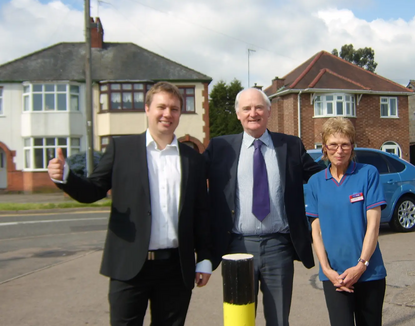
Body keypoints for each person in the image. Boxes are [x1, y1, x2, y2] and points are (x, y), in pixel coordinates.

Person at [47, 81, 212, 326]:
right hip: (129, 267)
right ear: (147, 109)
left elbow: (201, 212)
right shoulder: (121, 149)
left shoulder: (192, 159)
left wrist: (205, 258)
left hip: (176, 269)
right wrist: (65, 177)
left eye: (174, 109)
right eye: (161, 107)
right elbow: (93, 191)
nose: (167, 114)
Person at [204, 88, 322, 326]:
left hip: (278, 247)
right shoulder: (220, 148)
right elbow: (190, 178)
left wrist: (350, 167)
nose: (253, 113)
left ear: (268, 111)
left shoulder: (290, 146)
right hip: (237, 247)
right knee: (240, 321)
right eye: (246, 108)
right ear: (238, 113)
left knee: (278, 320)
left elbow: (322, 178)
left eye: (258, 107)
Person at [305, 117, 387, 326]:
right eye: (333, 145)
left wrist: (361, 266)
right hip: (334, 277)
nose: (339, 150)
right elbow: (317, 232)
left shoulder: (368, 174)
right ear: (324, 148)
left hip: (369, 273)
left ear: (352, 146)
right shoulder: (315, 182)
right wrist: (326, 270)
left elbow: (373, 226)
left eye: (345, 144)